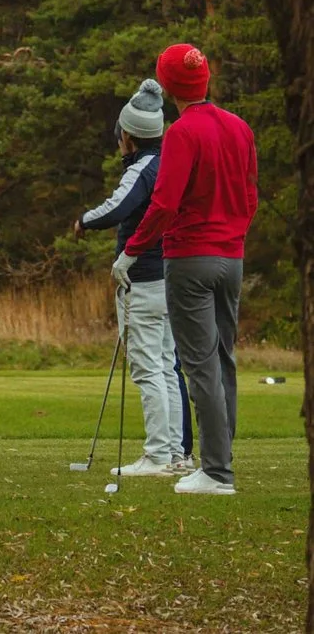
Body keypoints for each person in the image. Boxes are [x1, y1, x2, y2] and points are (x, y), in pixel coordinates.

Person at [121, 43, 259, 495]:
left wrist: (132, 251)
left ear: (166, 85)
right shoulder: (240, 127)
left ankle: (216, 472)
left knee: (199, 365)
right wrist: (233, 235)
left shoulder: (181, 133)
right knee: (223, 361)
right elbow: (250, 195)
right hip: (232, 258)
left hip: (189, 259)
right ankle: (221, 461)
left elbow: (164, 203)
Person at [73, 78, 190, 477]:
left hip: (143, 281)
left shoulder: (142, 168)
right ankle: (175, 454)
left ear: (128, 136)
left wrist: (84, 220)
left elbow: (117, 208)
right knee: (165, 366)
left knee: (147, 368)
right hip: (169, 278)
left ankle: (157, 456)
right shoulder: (168, 162)